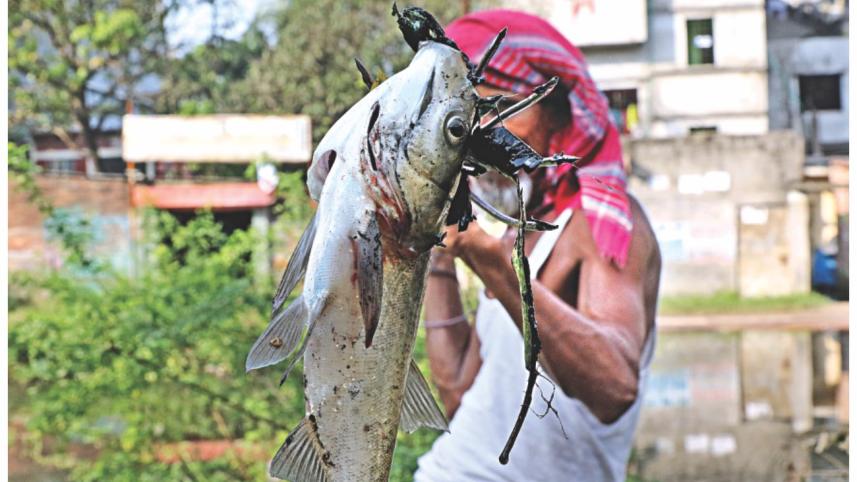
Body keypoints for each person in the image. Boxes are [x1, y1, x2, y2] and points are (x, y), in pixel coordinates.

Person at [415, 10, 661, 482]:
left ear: (557, 112)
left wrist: (496, 267)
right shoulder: (519, 233)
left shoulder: (600, 221)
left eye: (499, 110)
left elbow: (614, 388)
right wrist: (442, 255)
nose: (481, 133)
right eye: (470, 115)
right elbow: (459, 397)